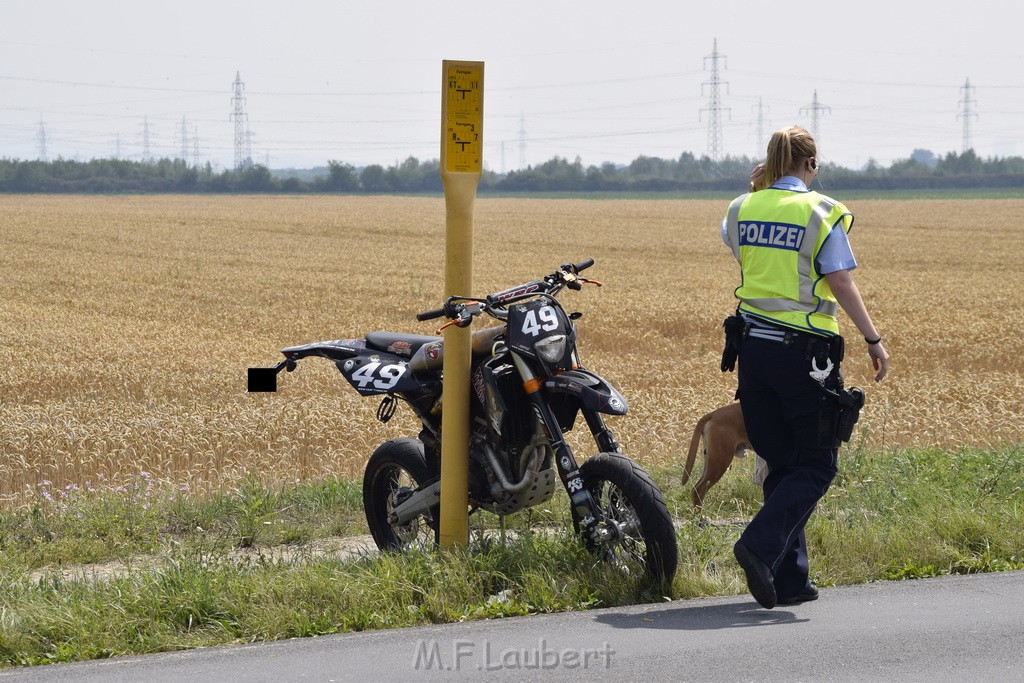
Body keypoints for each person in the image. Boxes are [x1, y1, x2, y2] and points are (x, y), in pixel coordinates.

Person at [720, 125, 890, 609]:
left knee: (782, 461)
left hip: (753, 352)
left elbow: (738, 245)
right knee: (816, 465)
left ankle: (789, 578)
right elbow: (839, 279)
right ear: (810, 165)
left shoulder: (741, 206)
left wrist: (757, 189)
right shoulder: (821, 210)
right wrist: (873, 339)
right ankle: (758, 545)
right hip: (805, 356)